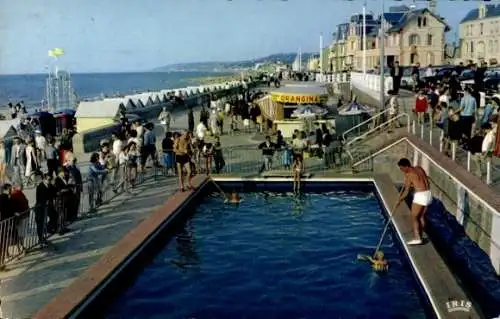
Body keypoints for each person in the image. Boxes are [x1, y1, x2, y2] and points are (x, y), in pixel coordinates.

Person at [395, 158, 432, 245]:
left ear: (406, 166)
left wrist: (399, 200)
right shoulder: (419, 168)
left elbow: (406, 192)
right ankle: (421, 236)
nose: (401, 170)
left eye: (401, 168)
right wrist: (413, 183)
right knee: (421, 216)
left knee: (414, 217)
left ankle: (417, 238)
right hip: (428, 194)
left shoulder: (409, 175)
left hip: (420, 195)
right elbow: (423, 180)